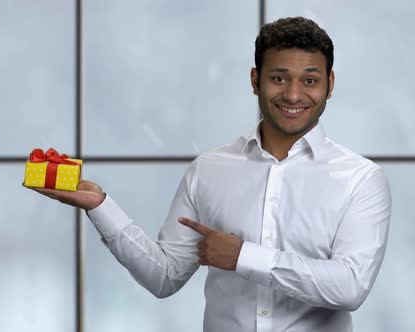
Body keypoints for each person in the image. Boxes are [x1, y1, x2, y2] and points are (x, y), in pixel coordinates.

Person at [30, 17, 392, 332]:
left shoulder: (360, 179)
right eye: (278, 78)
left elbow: (350, 287)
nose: (293, 94)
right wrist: (100, 206)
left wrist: (242, 256)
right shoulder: (209, 169)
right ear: (255, 80)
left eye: (309, 81)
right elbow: (164, 276)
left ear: (330, 83)